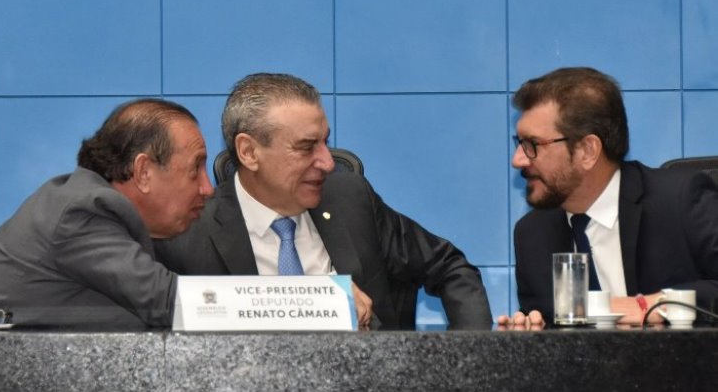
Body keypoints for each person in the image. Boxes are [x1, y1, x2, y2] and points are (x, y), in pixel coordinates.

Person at [154, 73, 492, 330]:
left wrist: (470, 361)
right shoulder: (187, 233)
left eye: (325, 143)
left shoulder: (350, 198)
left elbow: (449, 267)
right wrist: (325, 301)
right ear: (249, 152)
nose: (327, 162)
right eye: (306, 147)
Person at [498, 67, 718, 328]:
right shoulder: (532, 235)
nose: (517, 160)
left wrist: (651, 305)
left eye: (532, 144)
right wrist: (529, 336)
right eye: (519, 143)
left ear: (587, 150)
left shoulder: (680, 201)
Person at [0, 98, 215, 329]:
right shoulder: (83, 211)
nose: (208, 188)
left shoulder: (98, 208)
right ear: (143, 172)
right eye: (195, 168)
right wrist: (250, 303)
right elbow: (167, 301)